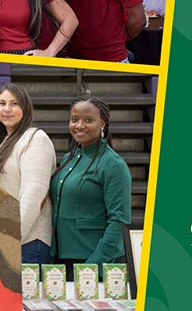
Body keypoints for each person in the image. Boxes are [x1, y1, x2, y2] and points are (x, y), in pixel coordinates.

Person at [49, 96, 132, 279]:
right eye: (74, 120)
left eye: (88, 120)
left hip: (93, 262)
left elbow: (119, 221)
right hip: (62, 259)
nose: (79, 125)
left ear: (101, 123)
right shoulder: (68, 159)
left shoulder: (113, 164)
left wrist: (94, 267)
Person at [0, 84, 55, 265]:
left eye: (14, 104)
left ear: (25, 108)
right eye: (2, 103)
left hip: (26, 241)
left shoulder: (35, 138)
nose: (7, 109)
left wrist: (11, 238)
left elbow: (33, 193)